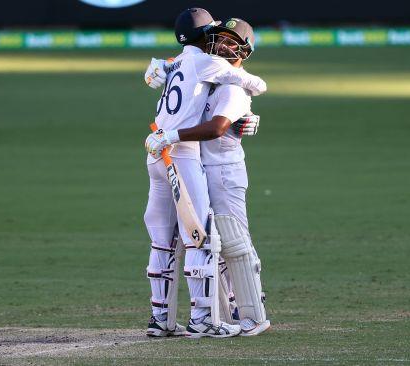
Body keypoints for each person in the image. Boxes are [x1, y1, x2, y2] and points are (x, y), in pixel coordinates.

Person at [142, 8, 267, 338]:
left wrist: (159, 66)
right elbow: (257, 84)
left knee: (163, 241)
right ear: (205, 35)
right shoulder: (210, 64)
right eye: (216, 35)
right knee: (200, 238)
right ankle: (203, 319)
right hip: (181, 155)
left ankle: (161, 320)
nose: (223, 45)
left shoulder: (177, 64)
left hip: (156, 151)